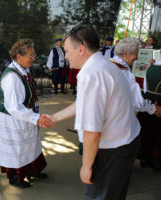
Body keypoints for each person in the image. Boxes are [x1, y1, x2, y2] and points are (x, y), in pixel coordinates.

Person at [47, 25, 141, 200]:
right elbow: (83, 103)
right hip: (124, 145)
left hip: (112, 151)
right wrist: (54, 117)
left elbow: (92, 131)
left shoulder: (91, 75)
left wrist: (86, 165)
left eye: (67, 51)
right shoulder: (105, 64)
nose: (65, 56)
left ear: (81, 49)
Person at [0, 39, 54, 188]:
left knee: (31, 144)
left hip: (27, 116)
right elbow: (14, 107)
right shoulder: (11, 77)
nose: (33, 58)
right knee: (18, 148)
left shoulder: (23, 70)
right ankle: (16, 177)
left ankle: (32, 170)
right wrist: (36, 118)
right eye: (30, 55)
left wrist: (33, 117)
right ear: (18, 57)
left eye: (33, 55)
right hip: (15, 120)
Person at [109, 38, 161, 115]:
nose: (137, 57)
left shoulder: (109, 64)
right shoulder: (123, 72)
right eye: (136, 54)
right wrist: (153, 108)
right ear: (126, 54)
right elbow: (136, 101)